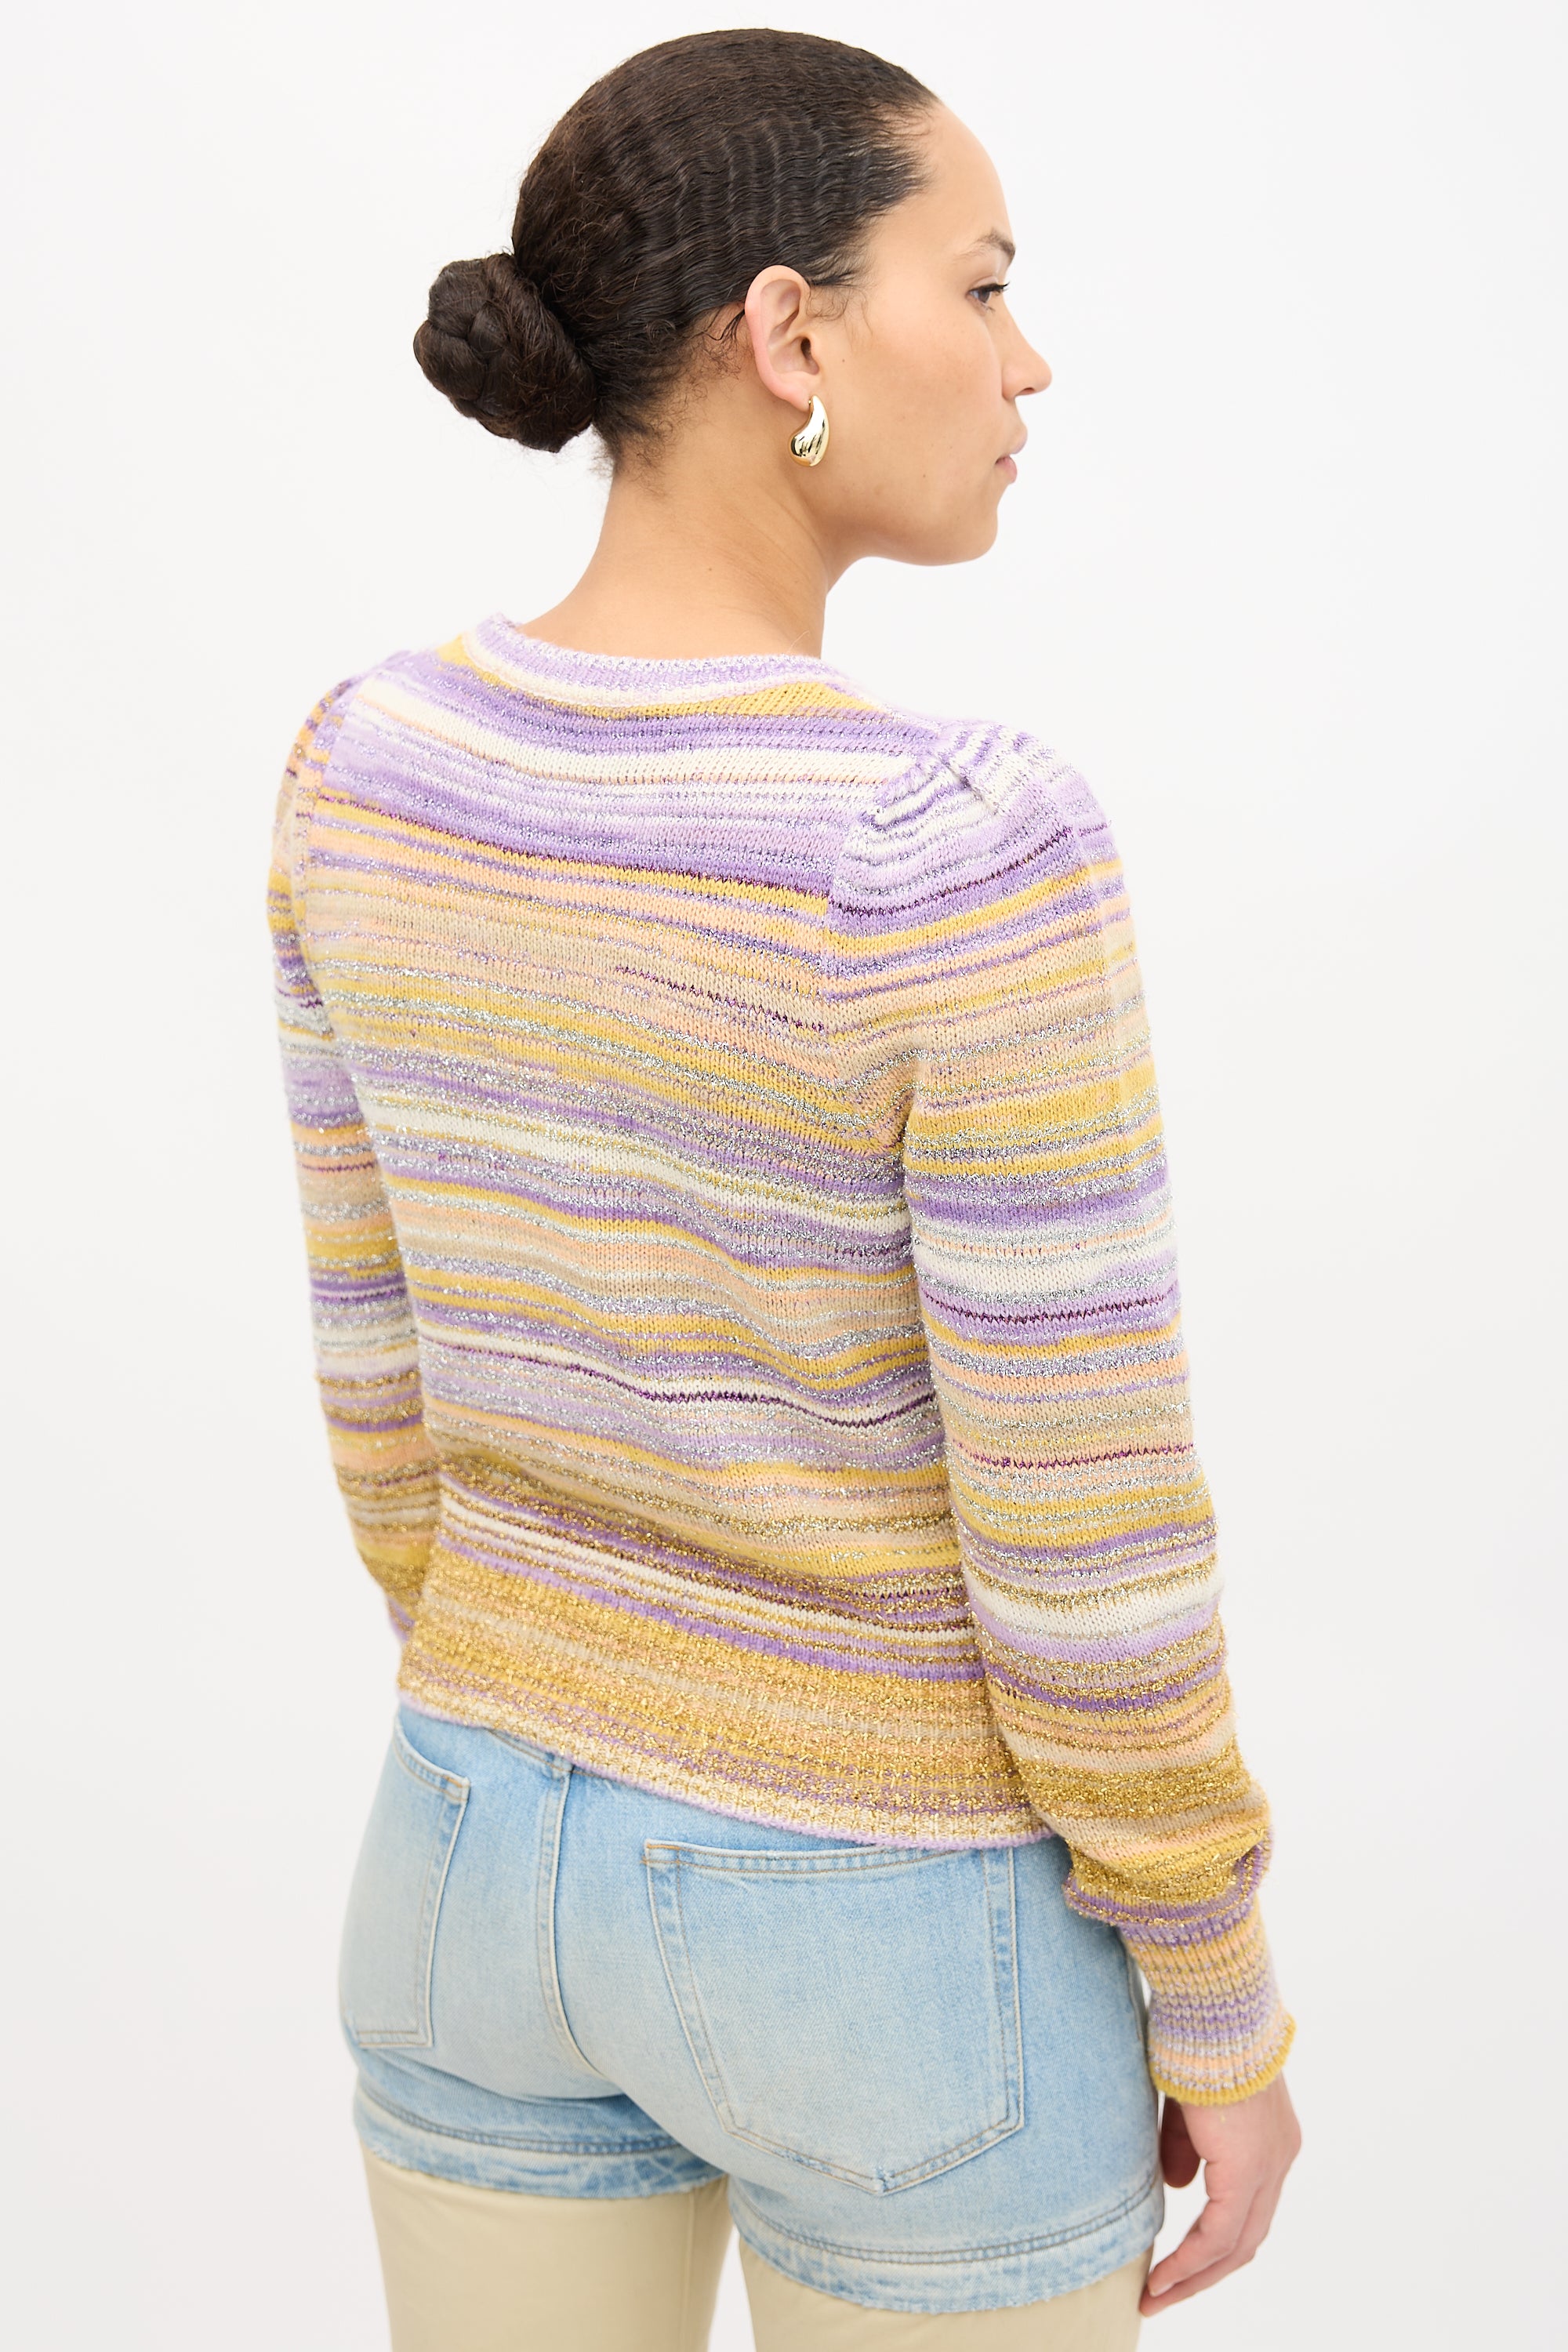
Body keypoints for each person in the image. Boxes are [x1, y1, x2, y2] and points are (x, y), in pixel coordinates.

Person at [267, 29, 1299, 2350]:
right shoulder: (955, 845)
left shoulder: (368, 765)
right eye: (983, 283)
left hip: (462, 1852)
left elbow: (380, 1395)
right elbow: (1082, 1523)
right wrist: (1215, 1986)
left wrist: (544, 1706)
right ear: (788, 335)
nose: (1028, 361)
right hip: (890, 1931)